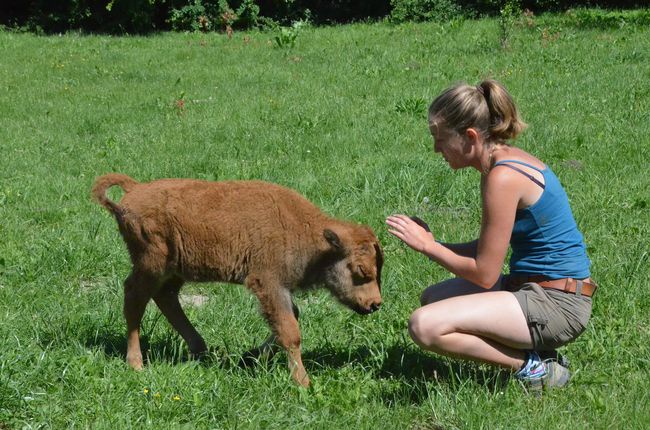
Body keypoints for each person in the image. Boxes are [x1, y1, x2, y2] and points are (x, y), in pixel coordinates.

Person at [385, 79, 596, 392]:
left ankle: (534, 368)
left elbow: (485, 273)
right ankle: (537, 354)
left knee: (424, 326)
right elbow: (488, 249)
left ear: (470, 137)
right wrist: (434, 244)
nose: (436, 149)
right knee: (433, 299)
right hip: (537, 288)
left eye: (440, 139)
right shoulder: (502, 162)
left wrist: (428, 247)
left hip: (559, 304)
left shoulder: (502, 178)